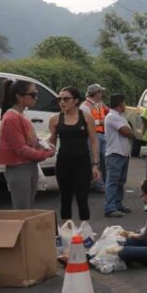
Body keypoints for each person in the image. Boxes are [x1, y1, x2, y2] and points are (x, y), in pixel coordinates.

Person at [0, 79, 56, 209]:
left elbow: (30, 141)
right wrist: (44, 154)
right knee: (22, 211)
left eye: (36, 94)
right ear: (19, 96)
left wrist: (43, 145)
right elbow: (21, 149)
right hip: (19, 168)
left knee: (27, 209)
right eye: (33, 94)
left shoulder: (21, 115)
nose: (36, 97)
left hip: (28, 166)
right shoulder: (12, 118)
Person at [47, 86, 101, 226]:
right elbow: (52, 141)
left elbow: (94, 142)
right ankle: (67, 229)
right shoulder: (55, 119)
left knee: (82, 196)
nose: (62, 102)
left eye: (66, 99)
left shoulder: (86, 117)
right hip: (63, 162)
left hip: (82, 162)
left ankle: (85, 229)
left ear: (76, 100)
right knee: (65, 196)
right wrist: (43, 146)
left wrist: (95, 164)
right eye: (60, 99)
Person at [103, 94, 134, 218]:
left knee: (120, 181)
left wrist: (130, 131)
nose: (125, 105)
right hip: (115, 153)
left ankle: (117, 203)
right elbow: (126, 132)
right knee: (113, 181)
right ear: (120, 103)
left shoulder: (120, 117)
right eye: (124, 103)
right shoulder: (112, 116)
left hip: (123, 153)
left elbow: (129, 130)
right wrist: (130, 132)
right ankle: (110, 207)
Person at [80, 84, 109, 192]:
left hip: (102, 134)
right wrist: (100, 122)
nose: (101, 94)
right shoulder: (85, 106)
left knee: (104, 159)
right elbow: (85, 122)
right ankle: (99, 184)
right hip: (92, 135)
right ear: (94, 93)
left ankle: (103, 182)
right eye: (100, 92)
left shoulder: (99, 104)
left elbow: (107, 112)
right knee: (95, 160)